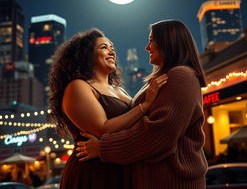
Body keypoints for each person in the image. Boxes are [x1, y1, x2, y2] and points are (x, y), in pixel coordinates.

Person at [76, 19, 208, 188]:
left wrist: (103, 148)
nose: (147, 47)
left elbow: (160, 132)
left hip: (171, 180)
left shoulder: (181, 76)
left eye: (152, 40)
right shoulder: (164, 77)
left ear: (169, 42)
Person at [48, 28, 167, 189]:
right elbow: (102, 129)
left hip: (121, 166)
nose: (111, 51)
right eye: (103, 47)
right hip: (93, 171)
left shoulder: (120, 90)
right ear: (86, 55)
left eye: (112, 48)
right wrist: (145, 105)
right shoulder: (78, 87)